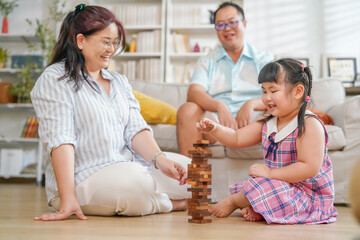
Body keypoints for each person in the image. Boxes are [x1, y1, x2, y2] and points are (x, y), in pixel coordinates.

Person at [30, 4, 189, 221]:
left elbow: (136, 130)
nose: (111, 49)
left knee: (195, 174)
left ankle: (155, 198)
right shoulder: (55, 79)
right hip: (84, 178)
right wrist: (67, 198)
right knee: (137, 182)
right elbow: (61, 140)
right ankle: (172, 204)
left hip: (127, 166)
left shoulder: (119, 81)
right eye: (105, 41)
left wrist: (160, 160)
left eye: (115, 42)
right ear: (80, 41)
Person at [196, 58, 338, 224]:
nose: (266, 98)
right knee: (255, 183)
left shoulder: (309, 124)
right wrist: (215, 129)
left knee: (263, 185)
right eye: (263, 91)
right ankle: (263, 210)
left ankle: (234, 201)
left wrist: (270, 174)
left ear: (298, 92)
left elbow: (309, 168)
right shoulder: (268, 120)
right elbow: (236, 138)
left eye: (273, 90)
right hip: (284, 187)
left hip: (308, 198)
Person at [176, 2, 273, 155]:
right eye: (220, 25)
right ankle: (196, 179)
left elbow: (277, 95)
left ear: (244, 23)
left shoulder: (264, 59)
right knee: (187, 109)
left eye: (233, 22)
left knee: (278, 112)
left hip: (255, 121)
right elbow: (194, 93)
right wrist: (220, 107)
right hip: (216, 124)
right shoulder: (207, 60)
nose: (227, 28)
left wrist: (251, 104)